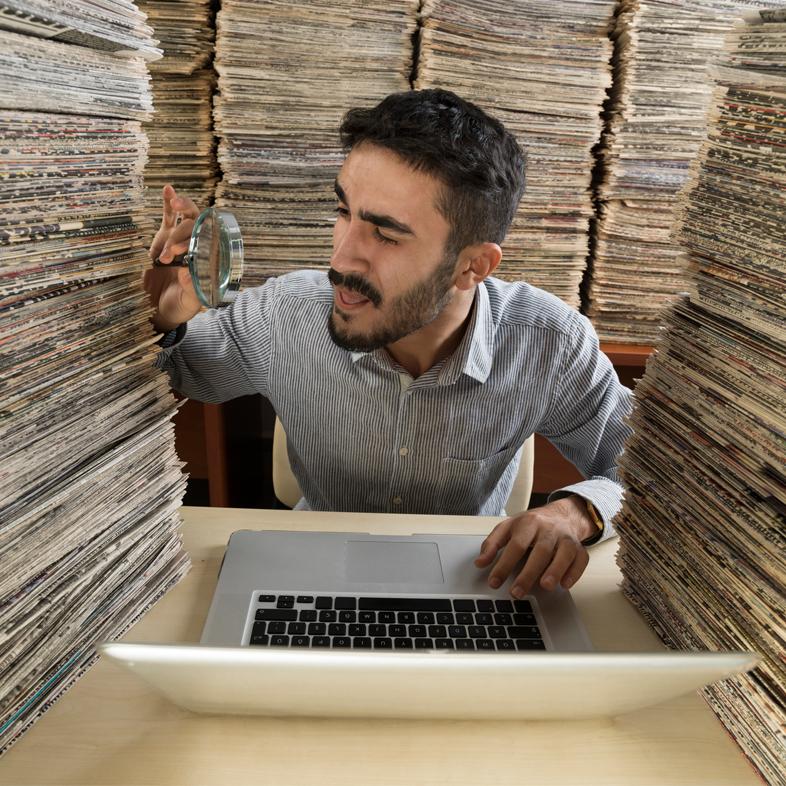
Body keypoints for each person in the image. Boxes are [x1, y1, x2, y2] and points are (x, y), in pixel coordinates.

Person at [145, 89, 632, 599]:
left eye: (386, 235)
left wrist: (577, 512)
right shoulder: (284, 314)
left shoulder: (548, 344)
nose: (341, 258)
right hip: (312, 575)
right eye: (344, 211)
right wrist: (159, 320)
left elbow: (643, 466)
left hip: (476, 580)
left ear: (472, 266)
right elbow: (174, 368)